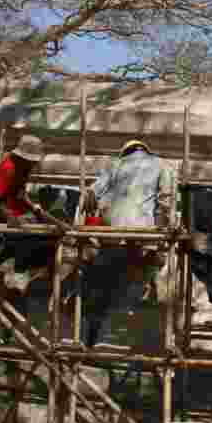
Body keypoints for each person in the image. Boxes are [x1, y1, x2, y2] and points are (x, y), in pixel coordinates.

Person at [81, 139, 175, 346]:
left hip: (112, 235)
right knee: (142, 282)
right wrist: (159, 237)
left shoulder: (115, 164)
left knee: (102, 288)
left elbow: (91, 193)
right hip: (142, 236)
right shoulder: (163, 165)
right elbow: (165, 203)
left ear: (126, 152)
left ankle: (92, 339)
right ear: (146, 151)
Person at [0, 134, 54, 283]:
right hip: (2, 215)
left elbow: (21, 196)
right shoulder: (8, 168)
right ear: (24, 159)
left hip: (18, 213)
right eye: (31, 162)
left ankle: (23, 268)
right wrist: (10, 217)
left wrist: (37, 211)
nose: (33, 165)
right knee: (29, 238)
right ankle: (18, 272)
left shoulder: (22, 170)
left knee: (47, 234)